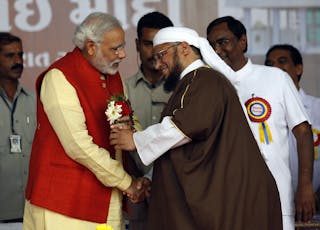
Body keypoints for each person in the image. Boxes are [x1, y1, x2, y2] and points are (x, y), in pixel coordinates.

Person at [110, 26, 283, 230]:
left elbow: (183, 127)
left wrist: (136, 140)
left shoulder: (205, 80)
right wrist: (151, 178)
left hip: (230, 197)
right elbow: (184, 148)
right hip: (222, 193)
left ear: (184, 48)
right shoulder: (194, 83)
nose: (158, 64)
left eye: (162, 54)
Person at [23, 12, 148, 230]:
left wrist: (140, 173)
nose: (123, 54)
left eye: (123, 46)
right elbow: (78, 146)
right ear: (91, 47)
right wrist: (128, 183)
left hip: (108, 197)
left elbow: (128, 125)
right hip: (65, 204)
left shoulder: (113, 77)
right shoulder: (60, 77)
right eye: (115, 48)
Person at [206, 16, 315, 229]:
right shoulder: (209, 84)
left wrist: (305, 185)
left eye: (223, 42)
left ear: (243, 41)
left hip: (275, 193)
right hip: (228, 199)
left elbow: (303, 132)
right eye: (212, 45)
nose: (217, 50)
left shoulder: (275, 78)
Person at [123, 11, 173, 230]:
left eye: (161, 45)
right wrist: (136, 182)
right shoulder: (121, 89)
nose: (154, 52)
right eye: (147, 44)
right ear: (136, 44)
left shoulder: (185, 90)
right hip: (133, 192)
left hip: (175, 190)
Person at [265, 44, 320, 211]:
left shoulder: (317, 108)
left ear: (298, 68)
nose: (275, 67)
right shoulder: (260, 111)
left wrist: (314, 194)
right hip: (273, 205)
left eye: (282, 61)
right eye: (269, 64)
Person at [0, 32, 36, 223]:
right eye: (9, 56)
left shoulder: (36, 101)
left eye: (20, 55)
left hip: (33, 211)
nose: (18, 61)